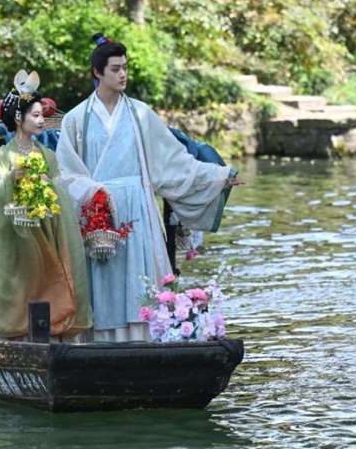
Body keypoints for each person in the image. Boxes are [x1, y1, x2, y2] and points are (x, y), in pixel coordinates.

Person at [57, 34, 242, 342]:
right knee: (102, 276)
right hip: (97, 209)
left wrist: (218, 176)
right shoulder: (77, 119)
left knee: (138, 276)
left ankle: (145, 336)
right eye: (115, 69)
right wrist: (93, 194)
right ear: (97, 73)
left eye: (125, 67)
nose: (123, 74)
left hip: (137, 206)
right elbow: (67, 170)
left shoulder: (141, 114)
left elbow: (173, 160)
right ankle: (98, 341)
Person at [0, 70, 92, 339]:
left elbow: (60, 189)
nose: (42, 120)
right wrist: (11, 183)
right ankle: (15, 335)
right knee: (18, 281)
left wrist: (46, 185)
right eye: (36, 115)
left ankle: (52, 330)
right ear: (19, 118)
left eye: (42, 115)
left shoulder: (48, 155)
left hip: (47, 230)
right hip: (12, 234)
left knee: (50, 278)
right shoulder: (2, 156)